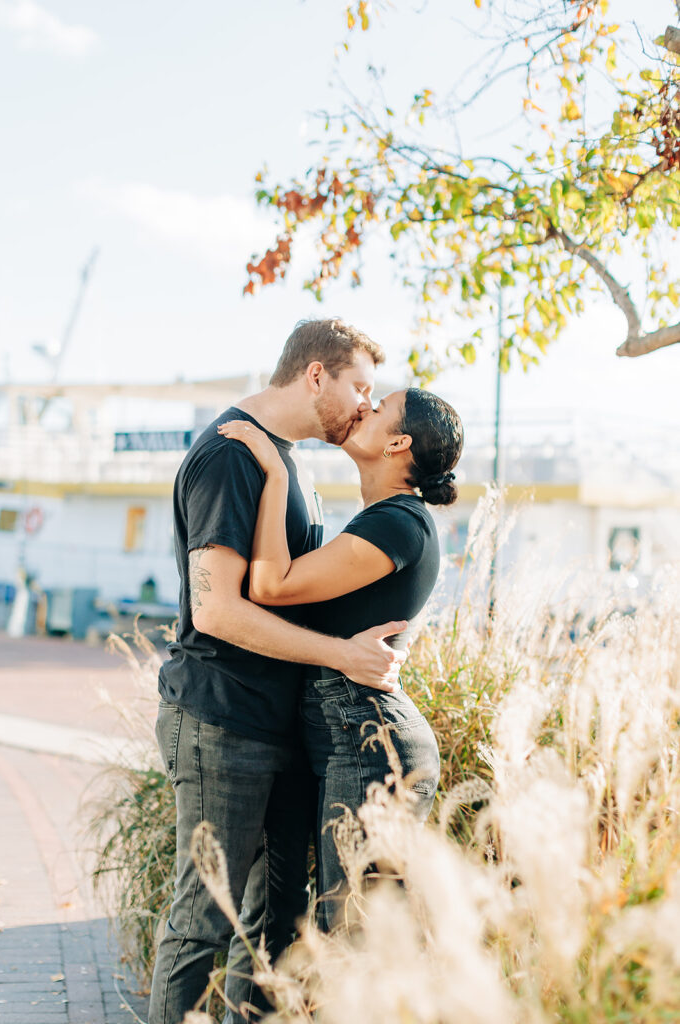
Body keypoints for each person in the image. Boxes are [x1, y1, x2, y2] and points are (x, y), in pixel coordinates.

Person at [149, 319, 409, 1024]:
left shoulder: (280, 461)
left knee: (269, 928)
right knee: (204, 920)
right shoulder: (231, 456)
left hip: (271, 725)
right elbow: (218, 613)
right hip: (219, 718)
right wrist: (341, 655)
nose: (365, 403)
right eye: (359, 386)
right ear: (315, 375)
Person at [218, 386, 463, 930]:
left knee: (353, 936)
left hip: (372, 745)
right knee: (350, 932)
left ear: (398, 442)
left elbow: (270, 585)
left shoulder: (398, 522)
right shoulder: (386, 518)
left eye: (379, 409)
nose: (363, 408)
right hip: (356, 739)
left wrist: (277, 476)